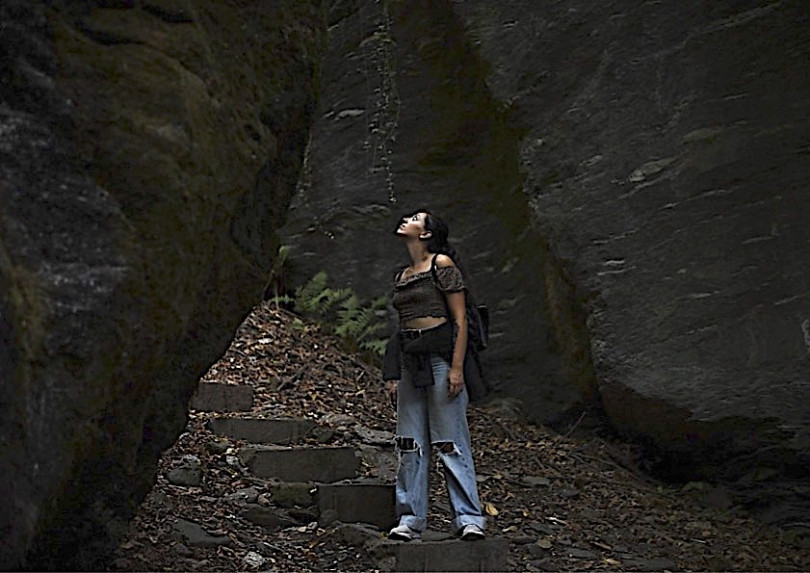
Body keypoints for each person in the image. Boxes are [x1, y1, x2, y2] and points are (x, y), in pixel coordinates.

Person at [382, 208, 486, 542]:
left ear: (426, 234)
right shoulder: (403, 275)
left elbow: (460, 320)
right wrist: (394, 374)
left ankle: (469, 518)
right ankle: (410, 518)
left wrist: (456, 368)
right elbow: (401, 327)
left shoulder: (441, 264)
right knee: (409, 442)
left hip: (441, 359)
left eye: (415, 219)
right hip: (410, 362)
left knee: (449, 441)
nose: (406, 219)